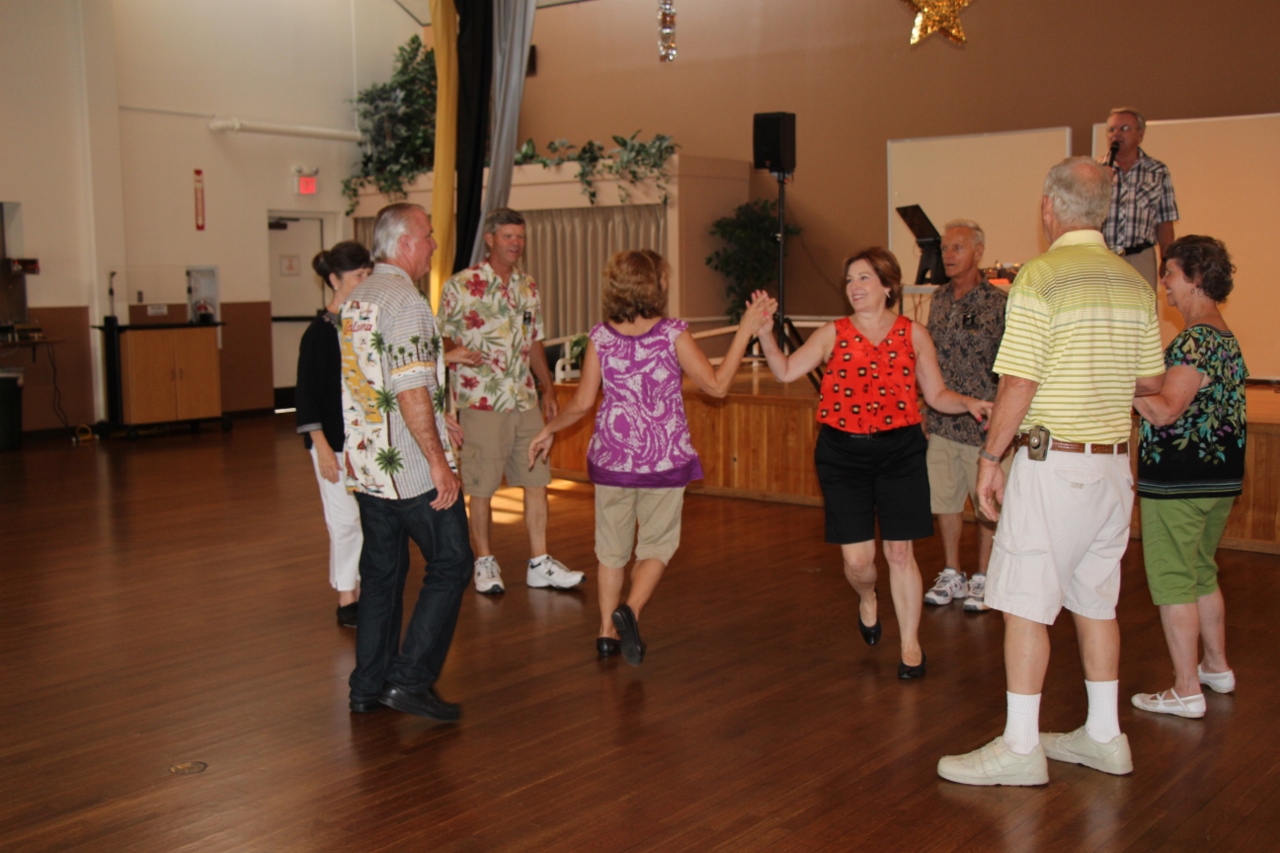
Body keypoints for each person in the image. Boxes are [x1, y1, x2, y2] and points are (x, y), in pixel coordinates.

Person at [938, 157, 1165, 787]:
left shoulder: (1040, 277)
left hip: (1052, 461)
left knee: (1025, 607)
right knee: (1097, 602)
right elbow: (1148, 378)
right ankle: (1103, 735)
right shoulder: (1132, 283)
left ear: (1048, 208)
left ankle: (1019, 746)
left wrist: (990, 458)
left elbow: (1020, 378)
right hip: (1115, 466)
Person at [528, 250, 775, 666]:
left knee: (611, 550)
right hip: (663, 459)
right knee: (656, 545)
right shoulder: (671, 333)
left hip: (613, 460)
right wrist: (745, 330)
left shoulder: (601, 337)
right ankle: (632, 610)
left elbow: (583, 403)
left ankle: (606, 631)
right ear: (654, 286)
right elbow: (716, 387)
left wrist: (547, 431)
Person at [756, 247, 992, 680]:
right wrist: (766, 335)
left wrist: (970, 402)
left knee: (900, 552)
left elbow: (936, 395)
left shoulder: (913, 334)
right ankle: (867, 597)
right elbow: (787, 371)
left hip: (900, 450)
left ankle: (910, 646)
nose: (854, 287)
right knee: (860, 563)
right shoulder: (833, 333)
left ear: (887, 286)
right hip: (842, 453)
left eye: (863, 278)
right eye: (849, 280)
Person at [341, 202, 473, 721]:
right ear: (403, 244)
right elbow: (411, 387)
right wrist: (439, 461)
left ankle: (366, 685)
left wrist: (441, 422)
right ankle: (410, 678)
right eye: (428, 235)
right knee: (453, 562)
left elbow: (374, 382)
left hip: (371, 466)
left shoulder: (359, 298)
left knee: (381, 577)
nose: (435, 245)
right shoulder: (407, 301)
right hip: (412, 473)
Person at [438, 207, 584, 595]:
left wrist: (548, 387)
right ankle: (484, 562)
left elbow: (534, 339)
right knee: (482, 484)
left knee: (537, 480)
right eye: (508, 237)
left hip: (524, 400)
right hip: (481, 399)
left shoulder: (527, 286)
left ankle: (539, 561)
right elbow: (443, 338)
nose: (516, 243)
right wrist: (458, 351)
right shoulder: (460, 285)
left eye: (520, 237)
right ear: (490, 240)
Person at [1130, 236, 1246, 719]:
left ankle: (1185, 688)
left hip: (1180, 483)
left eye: (1170, 274)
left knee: (1174, 579)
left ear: (1196, 279)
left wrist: (1114, 378)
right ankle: (1215, 667)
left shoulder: (1194, 340)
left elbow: (1163, 411)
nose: (1164, 285)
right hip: (1218, 480)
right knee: (1200, 571)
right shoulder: (1224, 337)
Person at [922, 220, 1007, 612]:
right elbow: (926, 360)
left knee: (985, 504)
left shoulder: (998, 303)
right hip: (942, 422)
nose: (948, 256)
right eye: (944, 249)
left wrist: (1005, 419)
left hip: (985, 426)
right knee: (946, 501)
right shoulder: (937, 300)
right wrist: (924, 408)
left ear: (978, 252)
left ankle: (984, 577)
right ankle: (952, 572)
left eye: (957, 248)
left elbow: (1011, 368)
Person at [296, 241, 372, 628]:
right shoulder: (319, 335)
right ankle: (347, 595)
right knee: (344, 521)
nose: (364, 282)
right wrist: (323, 449)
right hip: (335, 444)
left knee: (370, 519)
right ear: (334, 279)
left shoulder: (366, 327)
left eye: (367, 274)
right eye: (358, 276)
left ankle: (368, 586)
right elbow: (306, 399)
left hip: (368, 440)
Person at [1099, 107, 1179, 289]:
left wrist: (1167, 259)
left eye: (1124, 129)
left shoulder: (1157, 171)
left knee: (1142, 313)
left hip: (1140, 257)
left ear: (1140, 135)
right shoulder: (1095, 170)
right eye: (1112, 130)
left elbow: (1165, 222)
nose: (1116, 134)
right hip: (1101, 256)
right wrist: (1099, 182)